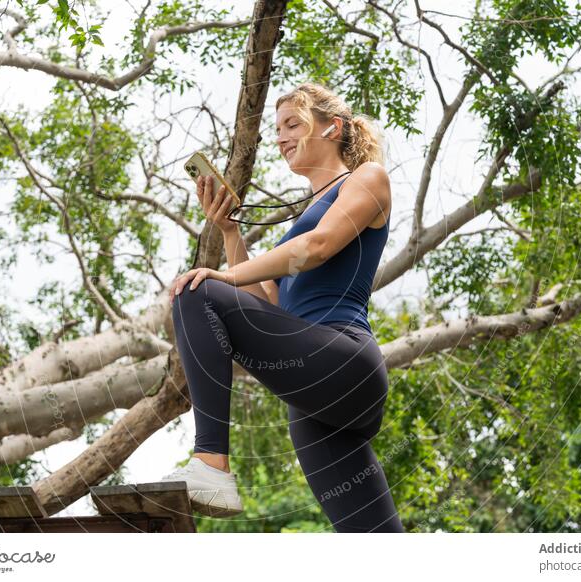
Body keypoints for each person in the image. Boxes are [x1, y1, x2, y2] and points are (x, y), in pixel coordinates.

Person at [160, 82, 403, 533]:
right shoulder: (306, 211)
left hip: (346, 359)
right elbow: (268, 303)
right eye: (277, 129)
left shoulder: (368, 178)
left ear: (334, 128)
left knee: (195, 290)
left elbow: (320, 245)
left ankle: (211, 461)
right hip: (314, 403)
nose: (281, 136)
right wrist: (231, 234)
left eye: (293, 123)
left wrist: (225, 277)